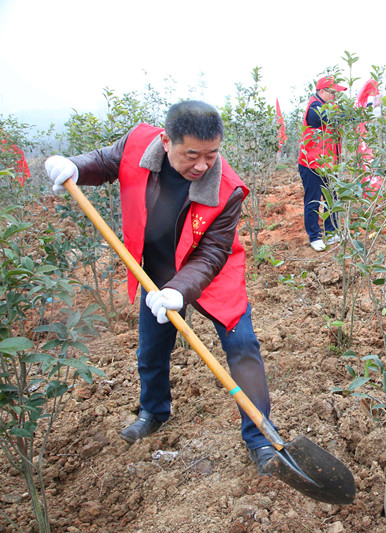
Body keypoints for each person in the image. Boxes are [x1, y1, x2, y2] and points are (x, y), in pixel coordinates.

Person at [44, 100, 277, 475]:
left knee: (243, 348)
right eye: (192, 155)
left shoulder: (228, 189)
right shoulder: (138, 143)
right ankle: (154, 410)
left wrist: (180, 290)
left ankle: (261, 438)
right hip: (155, 271)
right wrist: (75, 165)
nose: (202, 165)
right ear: (166, 141)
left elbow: (213, 252)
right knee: (151, 350)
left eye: (212, 155)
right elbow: (106, 162)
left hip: (211, 273)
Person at [298, 76, 348, 252]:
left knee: (331, 198)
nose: (335, 96)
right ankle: (315, 236)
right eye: (333, 92)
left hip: (329, 165)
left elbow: (343, 118)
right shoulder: (315, 108)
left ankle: (332, 231)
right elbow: (332, 117)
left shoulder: (328, 107)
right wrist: (352, 110)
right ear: (321, 91)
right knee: (313, 200)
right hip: (311, 164)